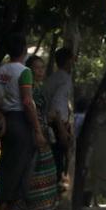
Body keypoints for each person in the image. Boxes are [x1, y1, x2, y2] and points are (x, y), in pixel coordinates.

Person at [0, 34, 47, 210]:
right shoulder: (24, 72)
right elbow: (27, 102)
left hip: (6, 121)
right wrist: (37, 130)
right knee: (20, 167)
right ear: (23, 51)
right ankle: (8, 209)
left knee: (5, 165)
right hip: (21, 121)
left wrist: (0, 118)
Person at [24, 55, 58, 210]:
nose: (40, 71)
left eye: (42, 67)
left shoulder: (40, 87)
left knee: (46, 170)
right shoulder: (30, 88)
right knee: (34, 170)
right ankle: (33, 209)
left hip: (43, 131)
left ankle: (45, 209)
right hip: (34, 131)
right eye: (37, 68)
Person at [44, 48, 75, 182]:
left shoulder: (52, 79)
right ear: (69, 61)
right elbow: (56, 105)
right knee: (60, 158)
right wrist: (62, 129)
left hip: (56, 122)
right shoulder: (64, 79)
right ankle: (57, 186)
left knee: (58, 156)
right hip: (57, 124)